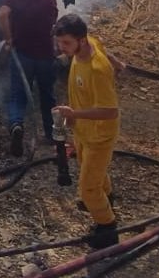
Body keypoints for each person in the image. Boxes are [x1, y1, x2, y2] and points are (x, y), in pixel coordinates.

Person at [51, 13, 126, 250]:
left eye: (66, 43)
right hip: (83, 131)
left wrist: (74, 114)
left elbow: (110, 111)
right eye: (59, 42)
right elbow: (103, 47)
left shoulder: (97, 69)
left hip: (99, 135)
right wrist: (118, 63)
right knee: (92, 170)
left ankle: (107, 228)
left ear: (81, 41)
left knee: (87, 187)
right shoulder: (89, 43)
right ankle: (106, 200)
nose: (61, 48)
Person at [0, 0, 59, 156]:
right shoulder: (49, 0)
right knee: (47, 95)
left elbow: (2, 14)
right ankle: (51, 134)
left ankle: (16, 125)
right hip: (46, 56)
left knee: (18, 95)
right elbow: (53, 26)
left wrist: (8, 39)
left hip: (22, 54)